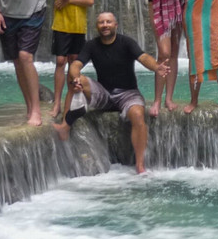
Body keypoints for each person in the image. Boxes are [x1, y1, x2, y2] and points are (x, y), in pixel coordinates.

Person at [56, 12, 170, 174]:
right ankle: (65, 126)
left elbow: (144, 57)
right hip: (104, 93)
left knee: (138, 115)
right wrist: (75, 78)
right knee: (75, 81)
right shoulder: (91, 45)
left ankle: (140, 165)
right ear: (97, 27)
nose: (105, 25)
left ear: (116, 25)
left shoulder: (126, 42)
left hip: (128, 93)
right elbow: (76, 65)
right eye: (101, 22)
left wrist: (157, 67)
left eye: (108, 22)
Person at [50, 0, 95, 118]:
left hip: (78, 27)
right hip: (62, 25)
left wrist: (68, 1)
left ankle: (72, 101)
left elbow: (90, 1)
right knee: (60, 61)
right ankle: (57, 103)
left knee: (74, 63)